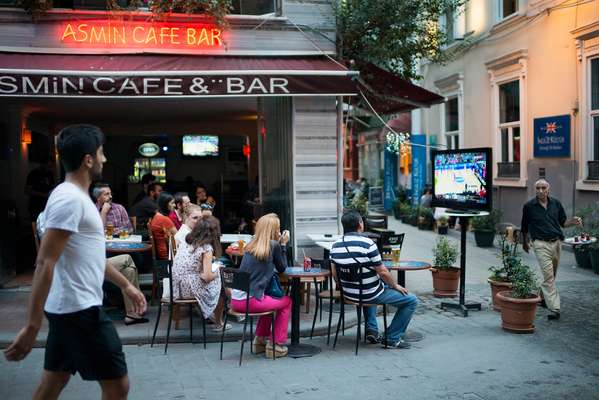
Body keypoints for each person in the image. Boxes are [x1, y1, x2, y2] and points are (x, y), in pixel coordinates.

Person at [4, 124, 146, 399]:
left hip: (70, 308)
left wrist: (126, 286)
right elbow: (45, 262)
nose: (105, 159)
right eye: (101, 153)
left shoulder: (76, 198)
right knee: (118, 385)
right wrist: (32, 326)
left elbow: (90, 259)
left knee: (52, 383)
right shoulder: (69, 199)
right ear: (88, 159)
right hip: (79, 310)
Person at [36, 210, 147, 327]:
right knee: (128, 259)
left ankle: (132, 313)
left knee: (128, 270)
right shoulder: (65, 222)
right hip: (83, 269)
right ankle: (137, 302)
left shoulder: (46, 219)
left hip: (81, 267)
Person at [330, 210, 419, 349]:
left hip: (349, 294)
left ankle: (372, 329)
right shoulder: (368, 244)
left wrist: (342, 287)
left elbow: (334, 272)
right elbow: (383, 272)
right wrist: (395, 285)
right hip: (368, 294)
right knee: (411, 300)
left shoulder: (335, 246)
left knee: (372, 284)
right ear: (360, 224)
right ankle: (392, 337)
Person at [231, 213, 291, 358]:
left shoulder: (251, 245)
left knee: (269, 300)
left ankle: (259, 341)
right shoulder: (273, 245)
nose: (279, 231)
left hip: (236, 301)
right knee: (287, 303)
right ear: (273, 230)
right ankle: (276, 345)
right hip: (251, 301)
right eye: (278, 229)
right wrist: (283, 245)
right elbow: (283, 268)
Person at [521, 179, 582, 321]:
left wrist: (572, 221)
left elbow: (563, 223)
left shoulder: (556, 204)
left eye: (543, 188)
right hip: (540, 244)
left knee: (552, 275)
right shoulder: (529, 206)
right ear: (535, 189)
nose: (540, 190)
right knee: (549, 276)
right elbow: (524, 226)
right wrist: (525, 242)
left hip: (556, 243)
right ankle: (555, 308)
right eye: (538, 188)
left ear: (548, 189)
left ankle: (541, 297)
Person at [172, 216, 230, 331]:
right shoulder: (206, 248)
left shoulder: (186, 241)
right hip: (189, 288)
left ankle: (223, 310)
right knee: (221, 282)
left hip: (177, 287)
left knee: (218, 277)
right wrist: (217, 271)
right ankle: (219, 322)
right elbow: (207, 277)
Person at [149, 192, 177, 260]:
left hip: (161, 254)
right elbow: (178, 237)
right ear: (165, 204)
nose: (175, 205)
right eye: (172, 203)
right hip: (168, 255)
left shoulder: (156, 216)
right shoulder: (164, 219)